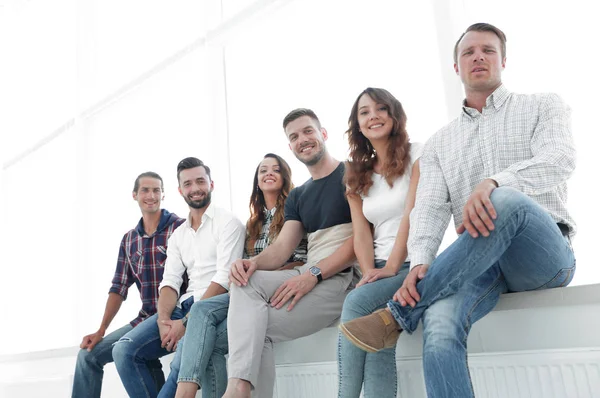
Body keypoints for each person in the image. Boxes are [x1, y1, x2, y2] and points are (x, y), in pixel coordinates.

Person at [339, 23, 576, 398]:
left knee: (504, 199)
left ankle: (394, 317)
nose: (478, 56)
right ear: (457, 67)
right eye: (468, 52)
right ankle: (408, 312)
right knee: (439, 323)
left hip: (543, 254)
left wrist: (494, 182)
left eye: (487, 50)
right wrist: (418, 263)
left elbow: (560, 160)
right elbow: (429, 209)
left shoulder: (543, 104)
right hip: (480, 264)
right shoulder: (439, 144)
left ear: (502, 60)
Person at [223, 109, 357, 398]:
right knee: (245, 281)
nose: (302, 140)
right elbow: (282, 248)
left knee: (256, 331)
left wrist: (314, 273)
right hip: (309, 270)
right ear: (290, 146)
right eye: (294, 136)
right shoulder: (299, 195)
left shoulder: (354, 172)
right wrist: (251, 263)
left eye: (308, 131)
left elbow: (362, 239)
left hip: (341, 276)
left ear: (323, 133)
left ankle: (238, 390)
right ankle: (239, 387)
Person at [159, 153, 307, 398]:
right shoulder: (254, 223)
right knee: (210, 344)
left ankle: (183, 393)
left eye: (275, 169)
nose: (269, 173)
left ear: (285, 176)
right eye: (263, 170)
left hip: (277, 289)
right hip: (248, 293)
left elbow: (299, 259)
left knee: (200, 311)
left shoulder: (294, 210)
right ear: (257, 181)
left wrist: (258, 274)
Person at [112, 157, 246, 398]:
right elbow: (170, 282)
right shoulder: (179, 235)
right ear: (179, 190)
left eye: (200, 181)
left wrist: (184, 323)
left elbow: (225, 279)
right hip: (183, 306)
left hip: (215, 306)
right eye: (188, 183)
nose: (195, 188)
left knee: (181, 361)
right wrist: (164, 321)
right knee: (124, 350)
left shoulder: (229, 223)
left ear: (211, 184)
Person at [338, 88, 422, 398]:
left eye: (380, 108)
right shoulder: (356, 175)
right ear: (357, 125)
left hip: (413, 263)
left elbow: (411, 215)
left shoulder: (418, 154)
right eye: (364, 111)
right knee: (379, 346)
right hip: (380, 269)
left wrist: (391, 267)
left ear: (394, 114)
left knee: (355, 303)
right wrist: (368, 272)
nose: (373, 115)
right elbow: (361, 234)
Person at [71, 172, 185, 398]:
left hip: (174, 315)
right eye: (145, 190)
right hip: (144, 319)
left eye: (156, 190)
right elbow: (118, 288)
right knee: (88, 356)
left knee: (128, 351)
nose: (151, 195)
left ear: (164, 194)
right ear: (135, 195)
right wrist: (101, 330)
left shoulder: (179, 228)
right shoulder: (129, 239)